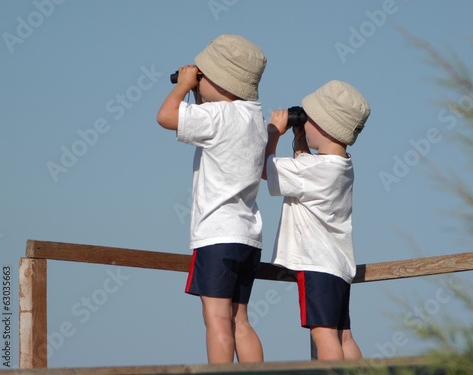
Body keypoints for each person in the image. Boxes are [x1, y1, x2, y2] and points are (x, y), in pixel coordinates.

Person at [156, 34, 267, 364]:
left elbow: (165, 116)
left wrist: (182, 87)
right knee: (240, 321)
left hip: (216, 234)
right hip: (248, 237)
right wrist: (199, 91)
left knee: (216, 320)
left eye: (201, 76)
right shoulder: (254, 119)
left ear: (218, 80)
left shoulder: (216, 118)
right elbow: (217, 118)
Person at [262, 80, 370, 360]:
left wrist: (273, 132)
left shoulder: (312, 169)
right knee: (343, 335)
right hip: (338, 266)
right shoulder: (342, 165)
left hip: (316, 264)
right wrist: (300, 139)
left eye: (308, 119)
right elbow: (306, 170)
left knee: (322, 334)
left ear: (324, 125)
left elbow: (266, 170)